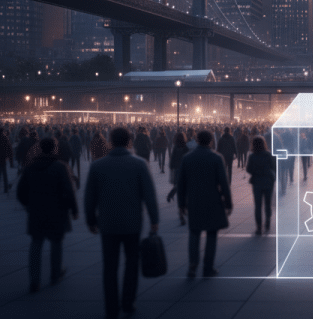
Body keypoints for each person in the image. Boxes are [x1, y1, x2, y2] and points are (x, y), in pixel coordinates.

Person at [84, 127, 159, 319]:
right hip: (132, 222)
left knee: (110, 266)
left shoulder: (98, 165)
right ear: (129, 141)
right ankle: (128, 301)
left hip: (107, 223)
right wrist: (154, 220)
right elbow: (149, 195)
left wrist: (91, 219)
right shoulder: (139, 164)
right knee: (132, 263)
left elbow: (89, 197)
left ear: (110, 141)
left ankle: (111, 307)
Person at [17, 137, 78, 292]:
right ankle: (55, 274)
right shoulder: (60, 167)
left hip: (36, 211)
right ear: (54, 149)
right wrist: (74, 209)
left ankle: (34, 280)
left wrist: (28, 205)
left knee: (36, 244)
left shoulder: (30, 167)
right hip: (56, 211)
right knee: (56, 242)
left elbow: (20, 192)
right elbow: (69, 191)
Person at [177, 130, 233, 278]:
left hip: (194, 201)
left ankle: (192, 265)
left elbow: (181, 183)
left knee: (194, 233)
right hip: (213, 200)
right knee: (211, 234)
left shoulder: (187, 158)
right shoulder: (216, 158)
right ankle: (208, 267)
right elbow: (224, 183)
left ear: (196, 140)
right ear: (211, 141)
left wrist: (181, 204)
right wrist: (228, 203)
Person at [246, 135, 276, 235]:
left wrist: (256, 171)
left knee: (258, 205)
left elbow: (248, 169)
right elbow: (274, 167)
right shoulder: (269, 154)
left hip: (257, 182)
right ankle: (267, 220)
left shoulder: (252, 156)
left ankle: (259, 226)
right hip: (268, 181)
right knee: (268, 203)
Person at [167, 131, 189, 223]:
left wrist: (172, 167)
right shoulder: (186, 147)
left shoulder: (176, 147)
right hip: (184, 171)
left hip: (177, 171)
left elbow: (172, 160)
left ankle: (181, 213)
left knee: (179, 191)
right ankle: (185, 209)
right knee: (186, 192)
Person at [0, 127, 14, 193]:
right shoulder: (5, 138)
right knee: (4, 174)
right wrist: (11, 161)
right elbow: (9, 149)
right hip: (3, 158)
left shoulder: (5, 138)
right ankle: (6, 188)